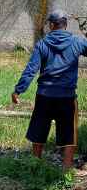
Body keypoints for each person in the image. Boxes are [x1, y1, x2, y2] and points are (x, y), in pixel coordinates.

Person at [12, 10, 87, 170]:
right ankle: (66, 172)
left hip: (44, 97)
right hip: (67, 98)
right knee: (69, 136)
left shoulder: (43, 44)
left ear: (52, 25)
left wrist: (18, 90)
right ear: (65, 25)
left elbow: (31, 69)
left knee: (38, 134)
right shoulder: (77, 42)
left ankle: (35, 168)